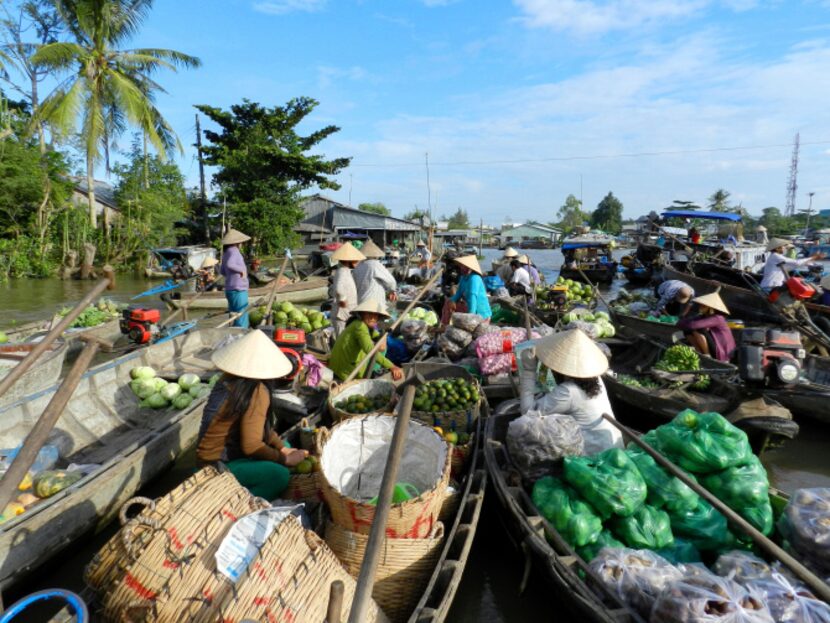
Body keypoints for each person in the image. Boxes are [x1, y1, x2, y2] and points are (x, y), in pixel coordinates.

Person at [196, 330, 309, 500]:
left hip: (220, 454)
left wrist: (282, 448)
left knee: (283, 443)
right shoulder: (257, 391)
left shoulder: (230, 379)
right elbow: (251, 445)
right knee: (279, 475)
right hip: (217, 464)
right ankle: (239, 506)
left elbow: (261, 427)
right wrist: (285, 460)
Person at [532, 329, 623, 455]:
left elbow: (532, 411)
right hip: (614, 448)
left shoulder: (568, 391)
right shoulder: (596, 379)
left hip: (595, 454)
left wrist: (527, 376)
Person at [329, 299, 404, 381]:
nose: (372, 317)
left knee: (381, 347)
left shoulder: (362, 324)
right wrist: (392, 366)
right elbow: (370, 350)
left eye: (375, 315)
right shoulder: (360, 326)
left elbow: (377, 336)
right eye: (369, 314)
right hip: (344, 372)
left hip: (340, 367)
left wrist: (383, 338)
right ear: (362, 314)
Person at [677, 291, 735, 362]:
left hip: (723, 352)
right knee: (687, 330)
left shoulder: (718, 318)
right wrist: (684, 321)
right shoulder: (702, 316)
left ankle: (707, 355)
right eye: (701, 305)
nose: (700, 307)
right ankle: (699, 353)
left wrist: (686, 323)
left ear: (710, 308)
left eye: (703, 306)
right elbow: (680, 324)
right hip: (714, 346)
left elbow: (693, 325)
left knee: (698, 329)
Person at [329, 242, 365, 337]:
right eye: (355, 260)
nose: (357, 262)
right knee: (341, 339)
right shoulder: (342, 271)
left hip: (346, 313)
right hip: (341, 314)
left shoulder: (346, 271)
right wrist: (342, 299)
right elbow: (338, 288)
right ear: (348, 260)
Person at [760, 238, 825, 290]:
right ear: (777, 248)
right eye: (784, 246)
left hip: (774, 286)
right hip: (770, 286)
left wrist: (810, 260)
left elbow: (792, 266)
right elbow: (796, 263)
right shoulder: (776, 256)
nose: (785, 248)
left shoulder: (775, 256)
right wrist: (813, 257)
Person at [353, 239, 397, 311]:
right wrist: (392, 290)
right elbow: (391, 281)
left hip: (360, 301)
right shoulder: (375, 264)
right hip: (373, 302)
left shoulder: (358, 266)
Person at [220, 228, 251, 328]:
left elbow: (222, 271)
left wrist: (232, 276)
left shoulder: (226, 253)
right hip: (238, 289)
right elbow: (230, 264)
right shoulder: (234, 251)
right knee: (241, 316)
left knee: (234, 316)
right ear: (238, 242)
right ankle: (241, 337)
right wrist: (241, 271)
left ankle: (234, 337)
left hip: (230, 289)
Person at [448, 255, 492, 320]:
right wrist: (452, 300)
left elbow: (473, 298)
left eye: (463, 266)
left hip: (481, 313)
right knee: (447, 302)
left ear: (469, 267)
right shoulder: (463, 278)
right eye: (461, 266)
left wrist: (471, 316)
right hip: (470, 308)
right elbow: (459, 293)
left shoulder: (475, 278)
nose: (461, 268)